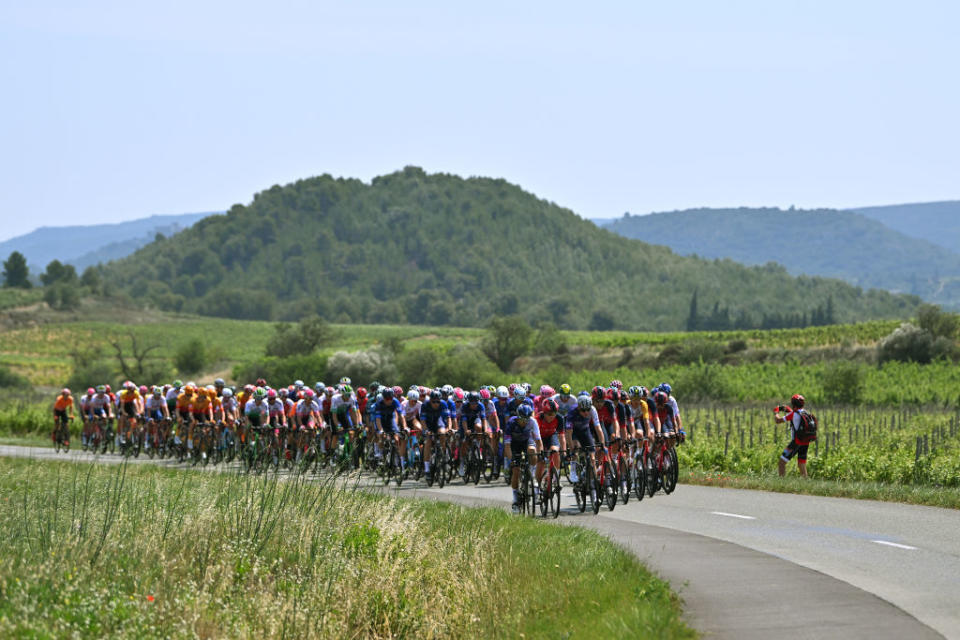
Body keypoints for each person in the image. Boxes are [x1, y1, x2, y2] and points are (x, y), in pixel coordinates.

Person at [775, 394, 812, 478]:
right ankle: (806, 483)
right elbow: (796, 416)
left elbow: (778, 420)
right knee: (801, 464)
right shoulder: (806, 412)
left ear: (793, 403)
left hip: (796, 442)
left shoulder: (792, 414)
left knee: (781, 462)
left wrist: (776, 412)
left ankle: (781, 484)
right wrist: (789, 410)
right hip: (805, 442)